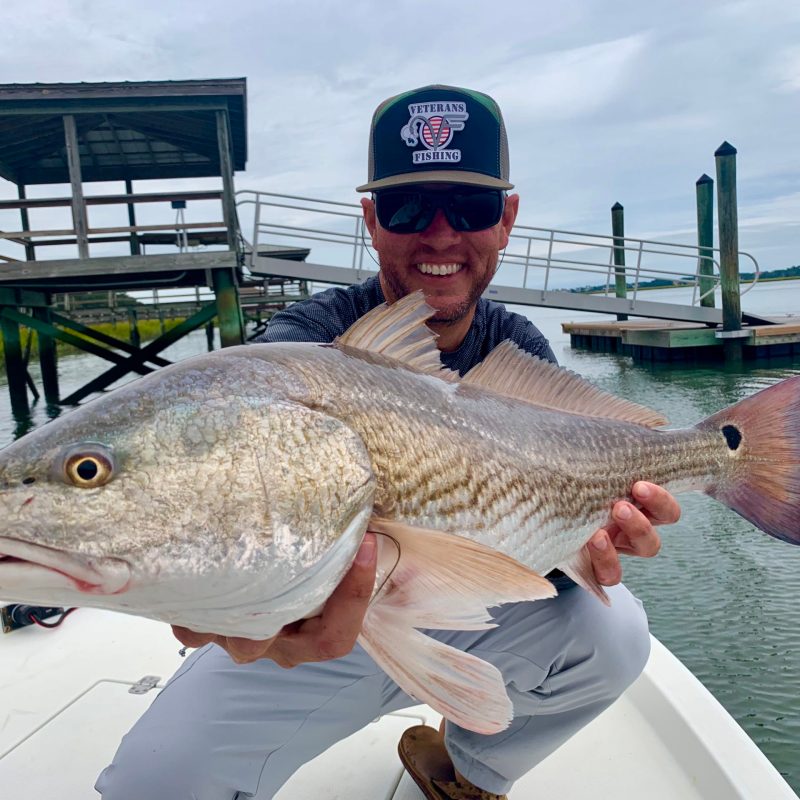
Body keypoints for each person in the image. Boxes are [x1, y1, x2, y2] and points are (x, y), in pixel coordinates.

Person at [96, 85, 680, 800]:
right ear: (371, 220)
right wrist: (245, 605)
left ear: (508, 220)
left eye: (470, 208)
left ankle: (466, 774)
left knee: (613, 635)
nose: (440, 235)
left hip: (458, 606)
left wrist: (595, 539)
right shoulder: (301, 346)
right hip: (310, 617)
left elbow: (540, 539)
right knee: (152, 784)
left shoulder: (519, 348)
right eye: (407, 208)